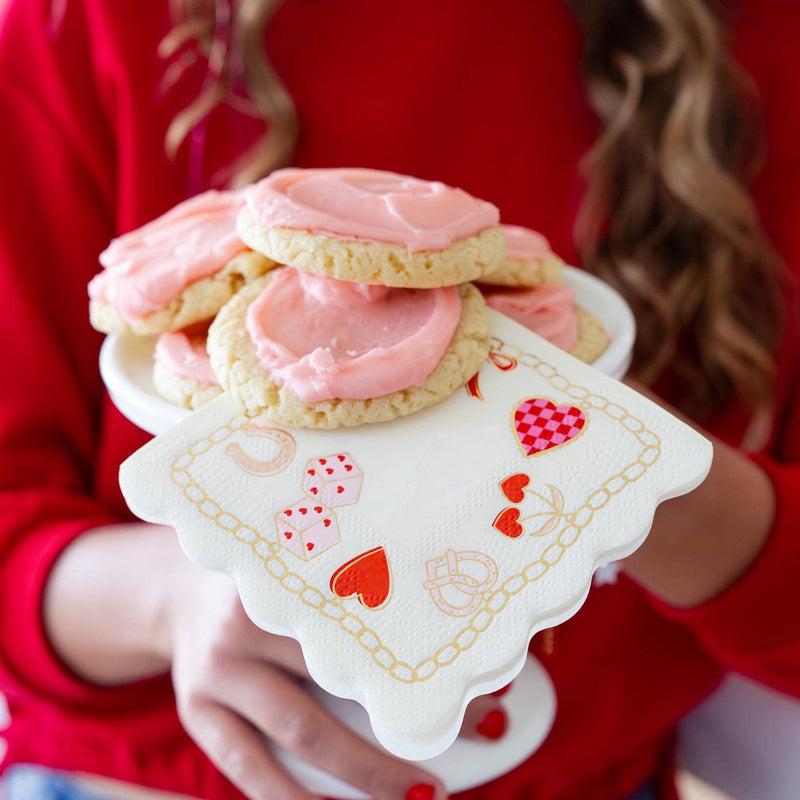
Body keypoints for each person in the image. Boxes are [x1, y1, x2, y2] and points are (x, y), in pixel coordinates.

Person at [0, 0, 798, 799]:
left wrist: (639, 479)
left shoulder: (761, 47)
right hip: (143, 780)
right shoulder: (91, 24)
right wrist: (170, 601)